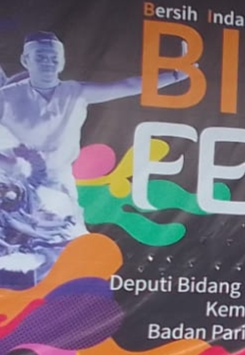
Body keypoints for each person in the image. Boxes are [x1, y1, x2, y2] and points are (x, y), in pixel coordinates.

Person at [0, 32, 190, 282]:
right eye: (41, 57)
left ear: (62, 61)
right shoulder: (6, 97)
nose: (48, 63)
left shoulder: (75, 92)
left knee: (72, 248)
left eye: (54, 58)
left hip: (59, 185)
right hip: (14, 186)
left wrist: (177, 75)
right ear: (26, 60)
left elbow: (127, 86)